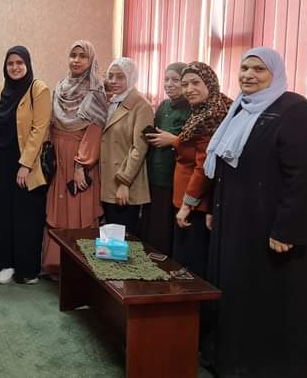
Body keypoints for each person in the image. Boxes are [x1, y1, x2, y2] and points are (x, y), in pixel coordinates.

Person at [202, 47, 307, 378]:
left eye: (259, 69)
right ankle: (231, 361)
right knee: (237, 293)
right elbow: (224, 165)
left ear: (275, 73)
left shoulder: (294, 109)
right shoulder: (240, 107)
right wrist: (213, 208)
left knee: (266, 300)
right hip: (238, 221)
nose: (249, 75)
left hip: (272, 229)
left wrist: (286, 229)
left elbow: (303, 177)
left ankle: (263, 368)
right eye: (244, 68)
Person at [146, 62, 231, 275]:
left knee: (188, 266)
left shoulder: (211, 116)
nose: (189, 89)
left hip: (195, 202)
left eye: (195, 83)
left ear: (209, 83)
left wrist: (187, 205)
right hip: (191, 199)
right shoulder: (202, 110)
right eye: (185, 84)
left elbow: (203, 167)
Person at [0, 46, 51, 285]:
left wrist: (25, 164)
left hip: (25, 163)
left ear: (27, 64)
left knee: (25, 216)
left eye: (20, 63)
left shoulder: (39, 89)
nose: (15, 67)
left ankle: (27, 269)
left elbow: (39, 130)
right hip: (2, 160)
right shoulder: (2, 87)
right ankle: (6, 262)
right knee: (3, 214)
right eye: (10, 63)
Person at [42, 41, 107, 277]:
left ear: (91, 61)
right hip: (58, 158)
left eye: (82, 56)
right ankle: (54, 264)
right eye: (73, 55)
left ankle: (78, 271)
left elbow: (94, 130)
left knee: (79, 208)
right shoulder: (60, 86)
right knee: (58, 209)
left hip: (80, 159)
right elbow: (51, 123)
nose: (76, 60)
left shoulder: (96, 90)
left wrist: (81, 165)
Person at [99, 57, 153, 235]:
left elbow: (140, 148)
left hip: (124, 183)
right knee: (109, 239)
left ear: (131, 77)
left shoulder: (141, 105)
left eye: (120, 77)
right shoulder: (113, 102)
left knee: (123, 240)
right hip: (108, 180)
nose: (113, 81)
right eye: (110, 76)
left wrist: (124, 183)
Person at [141, 62, 190, 255]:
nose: (169, 84)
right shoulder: (163, 105)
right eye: (166, 79)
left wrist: (172, 140)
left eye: (175, 80)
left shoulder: (191, 108)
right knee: (150, 222)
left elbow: (195, 144)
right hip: (154, 170)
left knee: (165, 226)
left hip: (173, 176)